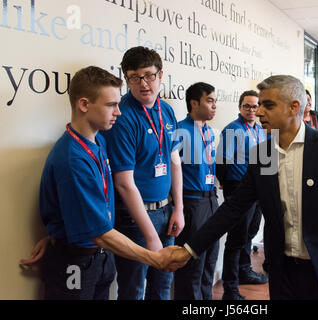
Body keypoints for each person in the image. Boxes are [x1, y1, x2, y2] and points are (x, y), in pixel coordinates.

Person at [165, 75, 318, 300]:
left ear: (294, 107)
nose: (259, 112)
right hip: (284, 276)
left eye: (268, 105)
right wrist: (189, 249)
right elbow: (233, 208)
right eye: (259, 105)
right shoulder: (264, 154)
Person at [20, 66, 183, 300]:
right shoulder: (72, 159)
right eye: (111, 105)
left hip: (101, 258)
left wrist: (57, 231)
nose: (118, 112)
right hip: (76, 262)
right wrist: (154, 257)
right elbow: (99, 233)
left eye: (118, 103)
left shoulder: (99, 143)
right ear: (84, 104)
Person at [102, 47, 184, 300]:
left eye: (149, 75)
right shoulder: (123, 117)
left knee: (162, 285)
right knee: (134, 289)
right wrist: (150, 235)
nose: (143, 83)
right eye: (134, 77)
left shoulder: (166, 110)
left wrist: (178, 208)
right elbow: (124, 183)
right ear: (126, 80)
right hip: (135, 220)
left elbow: (174, 160)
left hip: (166, 211)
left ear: (161, 75)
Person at [216, 90, 268, 300]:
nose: (251, 110)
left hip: (258, 189)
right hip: (239, 189)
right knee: (236, 239)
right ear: (239, 107)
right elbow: (221, 163)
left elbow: (267, 158)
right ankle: (230, 289)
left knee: (250, 232)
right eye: (247, 106)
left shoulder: (261, 129)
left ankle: (244, 271)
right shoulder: (232, 130)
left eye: (255, 106)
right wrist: (230, 191)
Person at [172, 82, 220, 300]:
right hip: (192, 203)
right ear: (194, 103)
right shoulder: (180, 131)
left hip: (211, 199)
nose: (214, 106)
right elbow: (173, 169)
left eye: (215, 101)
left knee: (210, 260)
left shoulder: (209, 131)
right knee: (193, 265)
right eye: (209, 100)